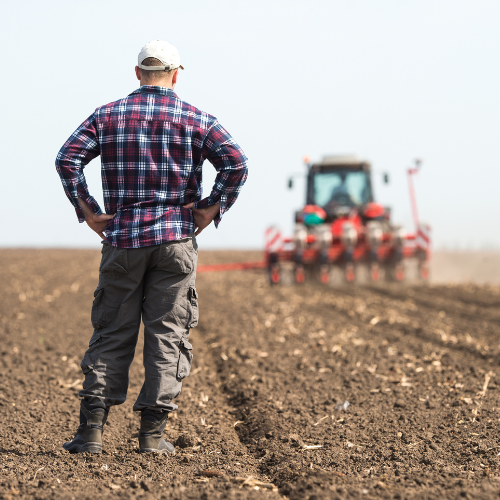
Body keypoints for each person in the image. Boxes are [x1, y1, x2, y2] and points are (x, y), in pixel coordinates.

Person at [55, 40, 248, 454]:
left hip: (123, 239)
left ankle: (91, 434)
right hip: (176, 241)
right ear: (177, 74)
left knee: (112, 332)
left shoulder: (107, 115)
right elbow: (236, 163)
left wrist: (88, 211)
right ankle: (153, 437)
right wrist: (211, 207)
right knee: (168, 335)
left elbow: (67, 158)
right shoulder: (198, 119)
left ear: (137, 73)